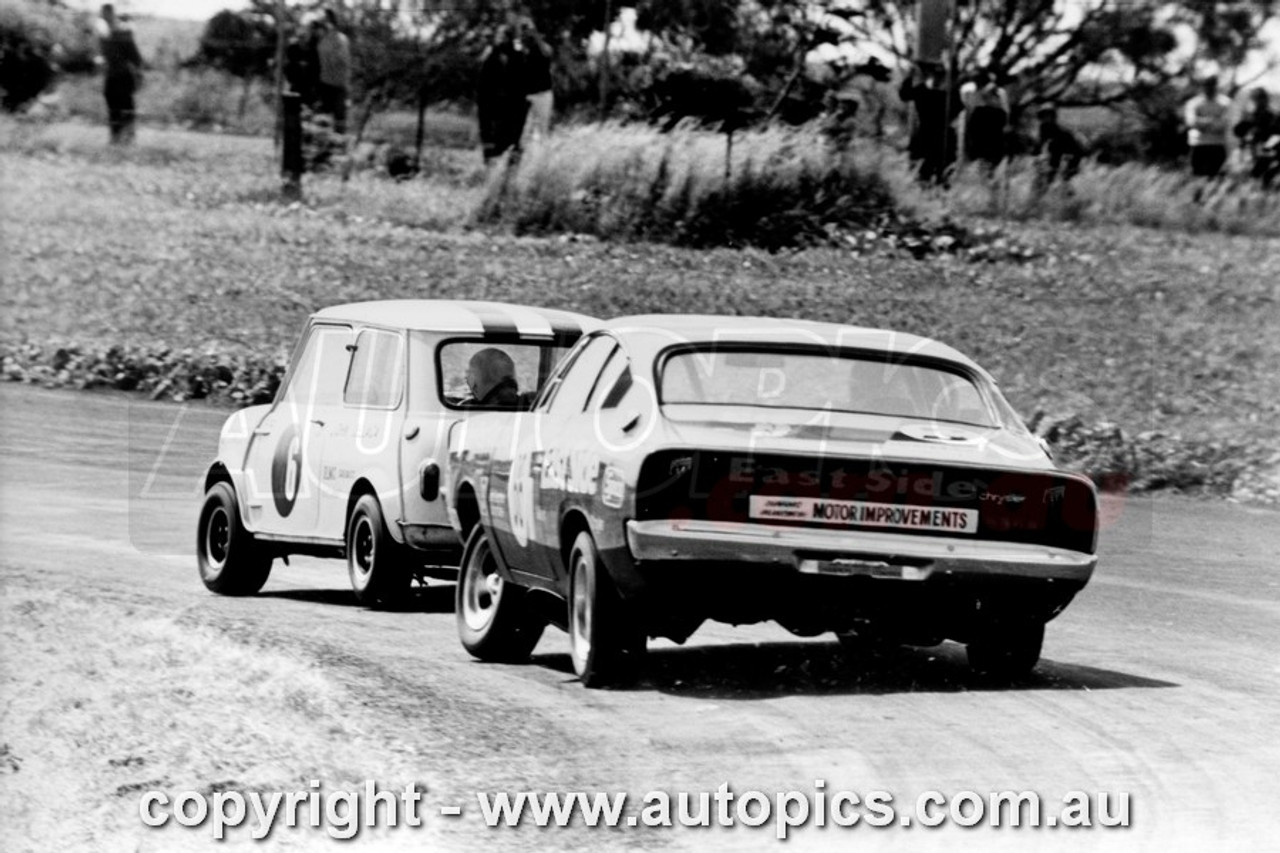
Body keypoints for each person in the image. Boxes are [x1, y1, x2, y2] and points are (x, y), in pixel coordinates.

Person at [477, 22, 531, 169]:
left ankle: (509, 174)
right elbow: (483, 84)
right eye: (500, 36)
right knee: (491, 141)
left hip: (513, 105)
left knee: (512, 141)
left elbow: (522, 80)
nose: (502, 39)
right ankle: (491, 174)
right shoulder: (491, 55)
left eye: (506, 36)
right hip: (492, 106)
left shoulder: (517, 54)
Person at [898, 60, 959, 185]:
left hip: (941, 136)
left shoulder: (947, 94)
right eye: (936, 75)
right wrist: (910, 76)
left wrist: (910, 76)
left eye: (940, 75)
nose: (937, 78)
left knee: (942, 174)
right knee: (923, 173)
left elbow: (958, 109)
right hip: (927, 134)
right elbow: (904, 95)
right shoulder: (926, 91)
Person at [98, 4, 143, 144]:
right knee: (113, 107)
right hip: (112, 75)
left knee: (126, 107)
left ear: (111, 14)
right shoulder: (104, 35)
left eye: (107, 14)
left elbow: (136, 58)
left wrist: (139, 75)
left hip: (123, 76)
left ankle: (128, 138)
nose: (105, 17)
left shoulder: (123, 34)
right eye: (103, 14)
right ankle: (115, 137)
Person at [961, 70, 1010, 171]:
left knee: (992, 163)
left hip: (993, 135)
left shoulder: (999, 94)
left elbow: (1005, 114)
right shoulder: (971, 94)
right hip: (981, 136)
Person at [1184, 76, 1231, 178]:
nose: (1210, 87)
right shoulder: (1193, 103)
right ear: (1202, 85)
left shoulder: (1225, 103)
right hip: (1198, 144)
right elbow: (1191, 122)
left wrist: (1202, 122)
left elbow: (1224, 124)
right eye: (1207, 84)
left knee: (1216, 178)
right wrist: (1213, 120)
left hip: (1217, 145)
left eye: (1212, 84)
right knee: (1196, 177)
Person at [518, 16, 554, 147]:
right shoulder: (522, 48)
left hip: (543, 94)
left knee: (543, 130)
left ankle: (541, 159)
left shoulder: (543, 47)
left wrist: (535, 34)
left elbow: (547, 52)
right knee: (525, 130)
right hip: (527, 95)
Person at [313, 10, 350, 135]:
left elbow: (342, 60)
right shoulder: (322, 41)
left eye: (328, 21)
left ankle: (339, 145)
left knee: (339, 118)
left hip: (339, 84)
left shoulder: (341, 40)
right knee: (323, 118)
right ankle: (322, 146)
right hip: (325, 83)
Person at [1234, 87, 1278, 187]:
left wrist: (1268, 146)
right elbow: (1240, 134)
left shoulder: (1273, 116)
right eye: (1256, 98)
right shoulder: (1249, 116)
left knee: (1263, 180)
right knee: (1249, 180)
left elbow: (1276, 135)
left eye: (1261, 98)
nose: (1259, 101)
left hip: (1268, 153)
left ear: (1266, 99)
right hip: (1250, 153)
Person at [1034, 105, 1085, 185]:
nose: (1046, 118)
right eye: (1044, 116)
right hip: (1057, 154)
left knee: (1063, 178)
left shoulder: (1060, 131)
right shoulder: (1043, 128)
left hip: (1071, 153)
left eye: (1048, 116)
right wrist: (1037, 156)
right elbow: (1041, 143)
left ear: (1053, 117)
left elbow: (1060, 149)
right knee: (1048, 175)